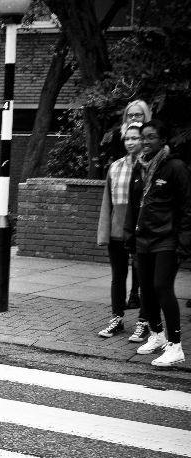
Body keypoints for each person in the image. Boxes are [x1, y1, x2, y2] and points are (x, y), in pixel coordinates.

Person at [124, 119, 191, 366]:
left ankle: (175, 347)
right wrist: (130, 237)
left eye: (151, 137)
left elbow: (187, 207)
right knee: (146, 291)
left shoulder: (175, 167)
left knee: (162, 287)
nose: (145, 141)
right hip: (144, 239)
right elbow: (133, 207)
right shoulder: (139, 168)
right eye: (143, 137)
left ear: (163, 140)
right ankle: (157, 335)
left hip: (167, 239)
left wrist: (184, 243)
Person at [97, 122, 150, 342]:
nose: (130, 142)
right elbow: (107, 203)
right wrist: (104, 233)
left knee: (144, 279)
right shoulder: (115, 167)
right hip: (118, 232)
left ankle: (144, 322)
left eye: (135, 138)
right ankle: (116, 319)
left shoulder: (149, 167)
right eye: (127, 139)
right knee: (118, 277)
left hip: (141, 233)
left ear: (143, 140)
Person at [103, 100, 153, 308]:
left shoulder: (153, 159)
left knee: (142, 268)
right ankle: (119, 312)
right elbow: (110, 195)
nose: (133, 118)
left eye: (138, 115)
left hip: (143, 220)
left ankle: (138, 300)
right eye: (130, 115)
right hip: (120, 219)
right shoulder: (118, 150)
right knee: (119, 271)